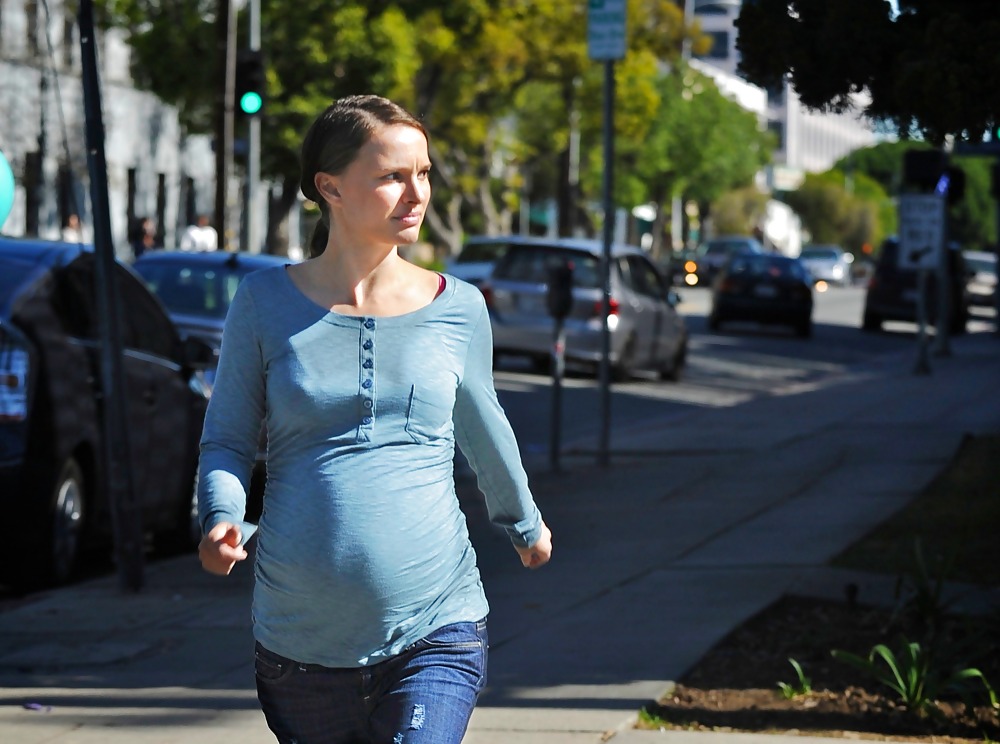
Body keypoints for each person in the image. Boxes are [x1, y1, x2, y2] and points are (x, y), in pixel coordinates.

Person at [196, 94, 552, 744]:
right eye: (392, 176)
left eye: (424, 173)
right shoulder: (264, 301)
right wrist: (221, 517)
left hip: (435, 623)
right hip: (298, 640)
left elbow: (482, 425)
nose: (416, 194)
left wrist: (523, 522)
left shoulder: (458, 306)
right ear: (329, 187)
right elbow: (226, 439)